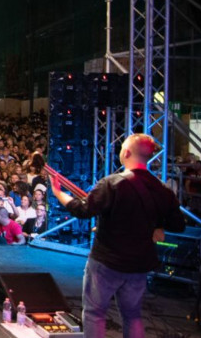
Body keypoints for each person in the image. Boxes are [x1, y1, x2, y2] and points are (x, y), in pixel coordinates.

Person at [52, 133, 185, 338]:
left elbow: (83, 210)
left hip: (107, 261)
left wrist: (59, 193)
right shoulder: (162, 190)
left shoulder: (113, 184)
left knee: (95, 313)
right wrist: (157, 226)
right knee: (133, 314)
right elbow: (178, 224)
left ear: (126, 152)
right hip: (139, 264)